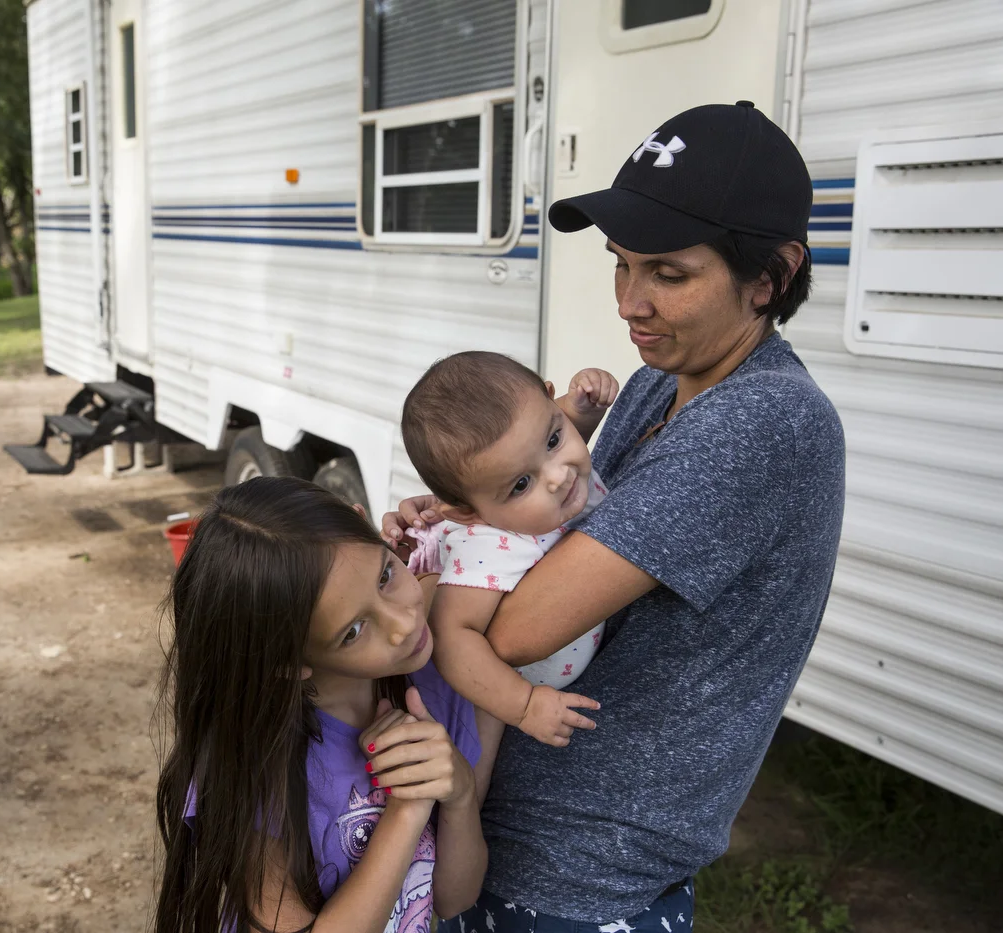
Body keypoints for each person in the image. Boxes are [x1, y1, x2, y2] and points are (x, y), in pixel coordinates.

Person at [385, 102, 846, 931]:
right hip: (509, 834)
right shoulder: (653, 387)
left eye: (668, 273)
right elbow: (545, 526)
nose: (631, 302)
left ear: (770, 276)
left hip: (581, 869)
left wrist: (462, 555)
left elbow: (519, 627)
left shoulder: (765, 418)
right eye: (620, 264)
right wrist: (456, 523)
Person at [154, 476, 503, 933]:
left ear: (366, 524)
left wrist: (457, 794)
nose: (403, 623)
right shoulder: (256, 762)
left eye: (385, 575)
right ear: (285, 662)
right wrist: (407, 809)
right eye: (353, 632)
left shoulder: (441, 684)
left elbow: (455, 897)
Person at [400, 354, 619, 746]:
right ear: (469, 513)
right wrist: (523, 705)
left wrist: (584, 410)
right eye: (521, 484)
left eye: (554, 440)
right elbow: (451, 639)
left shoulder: (552, 474)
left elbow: (546, 440)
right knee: (474, 778)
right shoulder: (489, 548)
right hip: (492, 701)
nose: (558, 476)